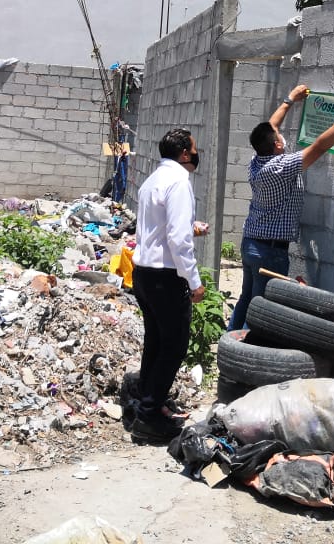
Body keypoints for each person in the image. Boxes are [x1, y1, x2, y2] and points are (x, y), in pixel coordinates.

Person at [228, 85, 334, 331]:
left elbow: (272, 126)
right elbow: (319, 147)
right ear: (277, 146)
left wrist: (290, 99)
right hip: (269, 251)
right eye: (279, 137)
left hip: (251, 243)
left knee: (246, 300)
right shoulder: (282, 167)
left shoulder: (257, 160)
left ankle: (228, 346)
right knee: (260, 308)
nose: (281, 135)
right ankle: (243, 358)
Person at [130, 127, 208, 442]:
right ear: (185, 153)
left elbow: (162, 228)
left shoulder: (153, 180)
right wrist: (194, 281)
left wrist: (190, 229)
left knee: (156, 342)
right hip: (165, 277)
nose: (196, 153)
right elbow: (177, 239)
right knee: (173, 346)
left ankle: (149, 404)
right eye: (194, 148)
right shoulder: (179, 182)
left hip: (144, 272)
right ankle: (148, 418)